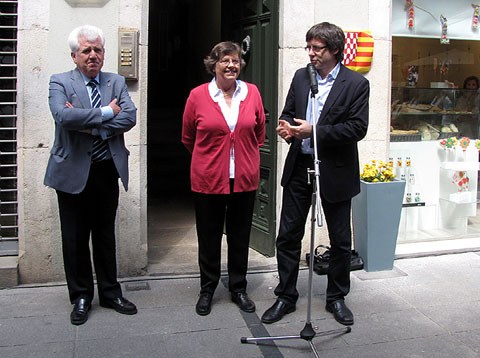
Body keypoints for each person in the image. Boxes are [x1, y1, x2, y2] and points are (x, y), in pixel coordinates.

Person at [261, 22, 369, 326]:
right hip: (300, 166)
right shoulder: (300, 77)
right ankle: (285, 296)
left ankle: (336, 298)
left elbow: (357, 129)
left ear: (334, 50)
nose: (310, 54)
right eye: (308, 47)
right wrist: (285, 128)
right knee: (288, 234)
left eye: (316, 48)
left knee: (339, 238)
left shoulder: (356, 84)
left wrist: (315, 131)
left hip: (335, 169)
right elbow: (286, 113)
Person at [44, 25, 137, 325]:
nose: (93, 55)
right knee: (74, 238)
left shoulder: (115, 82)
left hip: (106, 170)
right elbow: (62, 116)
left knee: (105, 235)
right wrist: (108, 113)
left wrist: (91, 125)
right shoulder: (59, 82)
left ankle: (110, 293)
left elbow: (130, 116)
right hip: (71, 172)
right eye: (87, 50)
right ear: (74, 56)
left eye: (98, 50)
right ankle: (81, 296)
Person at [182, 41, 265, 316]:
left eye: (236, 61)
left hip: (244, 178)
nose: (232, 65)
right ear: (213, 65)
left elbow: (259, 132)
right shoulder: (197, 96)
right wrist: (211, 160)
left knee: (240, 237)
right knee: (208, 237)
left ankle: (238, 288)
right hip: (208, 179)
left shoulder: (251, 93)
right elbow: (188, 137)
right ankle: (207, 289)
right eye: (225, 61)